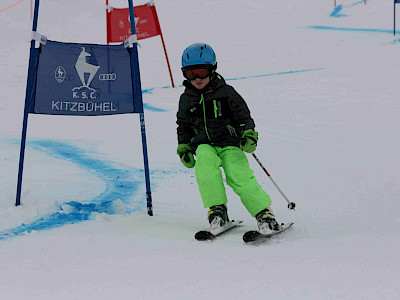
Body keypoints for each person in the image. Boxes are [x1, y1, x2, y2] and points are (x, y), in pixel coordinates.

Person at [176, 43, 280, 234]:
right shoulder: (186, 99)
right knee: (205, 168)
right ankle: (217, 211)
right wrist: (184, 147)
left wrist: (248, 133)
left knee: (238, 175)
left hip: (230, 143)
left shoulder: (226, 92)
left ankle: (264, 213)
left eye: (201, 72)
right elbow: (183, 126)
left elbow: (244, 117)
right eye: (191, 74)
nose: (197, 79)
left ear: (212, 69)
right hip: (204, 144)